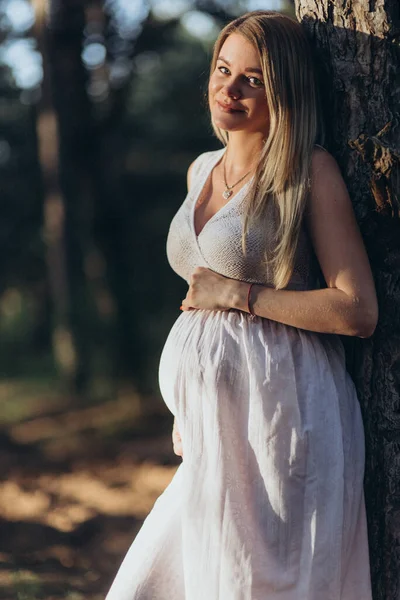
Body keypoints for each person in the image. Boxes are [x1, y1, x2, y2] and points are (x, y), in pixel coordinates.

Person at [106, 10, 377, 600]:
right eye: (223, 69)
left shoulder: (309, 170)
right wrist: (188, 405)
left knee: (256, 586)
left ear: (285, 90)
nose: (228, 89)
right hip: (213, 433)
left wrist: (240, 295)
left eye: (252, 79)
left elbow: (356, 310)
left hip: (282, 417)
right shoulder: (201, 168)